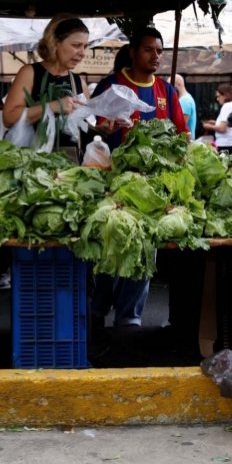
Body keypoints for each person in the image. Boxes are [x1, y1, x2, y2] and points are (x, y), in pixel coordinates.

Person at [90, 26, 188, 331]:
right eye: (149, 49)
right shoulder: (111, 84)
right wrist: (102, 128)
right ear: (133, 52)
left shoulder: (166, 91)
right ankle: (97, 307)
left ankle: (129, 317)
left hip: (153, 187)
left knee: (145, 247)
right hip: (113, 182)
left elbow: (183, 135)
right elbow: (91, 124)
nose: (156, 56)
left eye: (160, 51)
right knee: (108, 246)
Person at [3, 15, 89, 161]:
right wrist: (53, 106)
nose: (82, 53)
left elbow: (85, 129)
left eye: (85, 46)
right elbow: (9, 117)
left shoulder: (79, 82)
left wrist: (103, 129)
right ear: (55, 43)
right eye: (76, 45)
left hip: (70, 166)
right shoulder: (30, 73)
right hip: (32, 162)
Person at [201, 84, 232, 154]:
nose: (217, 99)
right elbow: (228, 123)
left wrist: (208, 126)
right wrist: (215, 122)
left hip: (226, 144)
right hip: (231, 143)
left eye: (218, 96)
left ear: (224, 95)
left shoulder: (226, 106)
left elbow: (222, 128)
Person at [173, 74, 197, 141]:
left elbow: (180, 125)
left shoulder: (184, 101)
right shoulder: (184, 99)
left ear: (179, 84)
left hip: (185, 142)